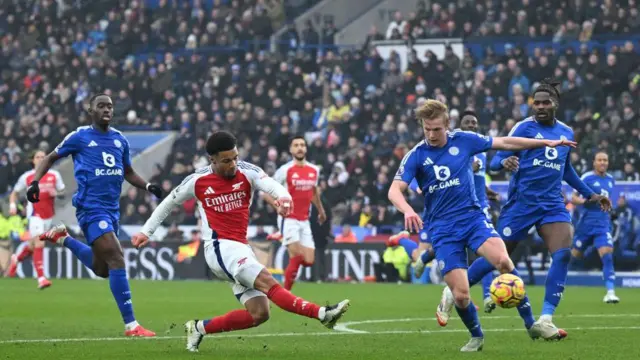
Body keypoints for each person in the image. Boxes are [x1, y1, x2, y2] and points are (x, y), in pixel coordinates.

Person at [128, 131, 349, 353]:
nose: (233, 164)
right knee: (267, 280)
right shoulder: (197, 180)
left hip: (240, 248)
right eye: (226, 160)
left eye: (235, 157)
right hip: (218, 247)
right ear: (212, 160)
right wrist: (146, 231)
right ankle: (322, 313)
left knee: (260, 313)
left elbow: (273, 186)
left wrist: (284, 198)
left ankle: (199, 328)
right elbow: (168, 203)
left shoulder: (248, 171)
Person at [388, 99, 576, 351]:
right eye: (427, 129)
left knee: (504, 261)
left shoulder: (464, 140)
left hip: (473, 219)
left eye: (436, 129)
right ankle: (476, 336)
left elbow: (506, 142)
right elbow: (394, 190)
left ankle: (532, 323)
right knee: (462, 295)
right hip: (443, 229)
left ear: (447, 125)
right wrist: (408, 209)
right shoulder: (417, 155)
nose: (431, 135)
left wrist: (545, 142)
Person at [438, 79, 612, 340]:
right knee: (497, 257)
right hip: (522, 203)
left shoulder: (565, 131)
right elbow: (495, 159)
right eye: (536, 102)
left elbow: (566, 170)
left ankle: (545, 319)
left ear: (555, 104)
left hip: (552, 204)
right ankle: (452, 291)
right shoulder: (524, 127)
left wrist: (590, 194)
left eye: (545, 102)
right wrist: (504, 161)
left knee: (563, 254)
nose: (540, 106)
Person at [34, 94, 162, 337]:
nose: (107, 110)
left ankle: (64, 238)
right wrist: (35, 183)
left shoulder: (119, 140)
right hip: (90, 208)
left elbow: (128, 171)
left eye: (110, 106)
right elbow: (50, 158)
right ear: (90, 110)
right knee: (117, 258)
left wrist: (147, 186)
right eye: (101, 106)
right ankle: (132, 326)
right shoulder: (80, 136)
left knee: (103, 269)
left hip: (112, 209)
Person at [264, 136, 327, 290]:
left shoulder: (314, 170)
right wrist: (278, 206)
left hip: (304, 220)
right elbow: (266, 193)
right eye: (296, 145)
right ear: (291, 150)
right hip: (288, 218)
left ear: (306, 148)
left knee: (309, 261)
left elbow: (313, 192)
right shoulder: (285, 170)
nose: (300, 148)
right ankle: (285, 294)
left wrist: (321, 210)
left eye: (302, 145)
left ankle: (280, 236)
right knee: (297, 256)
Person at [6, 150, 65, 289]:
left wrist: (56, 193)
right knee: (39, 243)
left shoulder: (54, 175)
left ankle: (17, 258)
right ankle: (41, 278)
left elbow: (62, 192)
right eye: (38, 157)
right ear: (33, 160)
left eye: (43, 157)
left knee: (33, 245)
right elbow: (14, 193)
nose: (41, 159)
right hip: (34, 215)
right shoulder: (27, 177)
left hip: (49, 216)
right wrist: (13, 205)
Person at [570, 151, 619, 303]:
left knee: (607, 256)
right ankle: (557, 284)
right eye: (600, 160)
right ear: (594, 162)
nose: (603, 162)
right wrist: (586, 202)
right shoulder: (587, 177)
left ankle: (610, 292)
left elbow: (610, 202)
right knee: (573, 257)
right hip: (585, 225)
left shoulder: (611, 180)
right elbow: (573, 198)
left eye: (605, 160)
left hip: (603, 225)